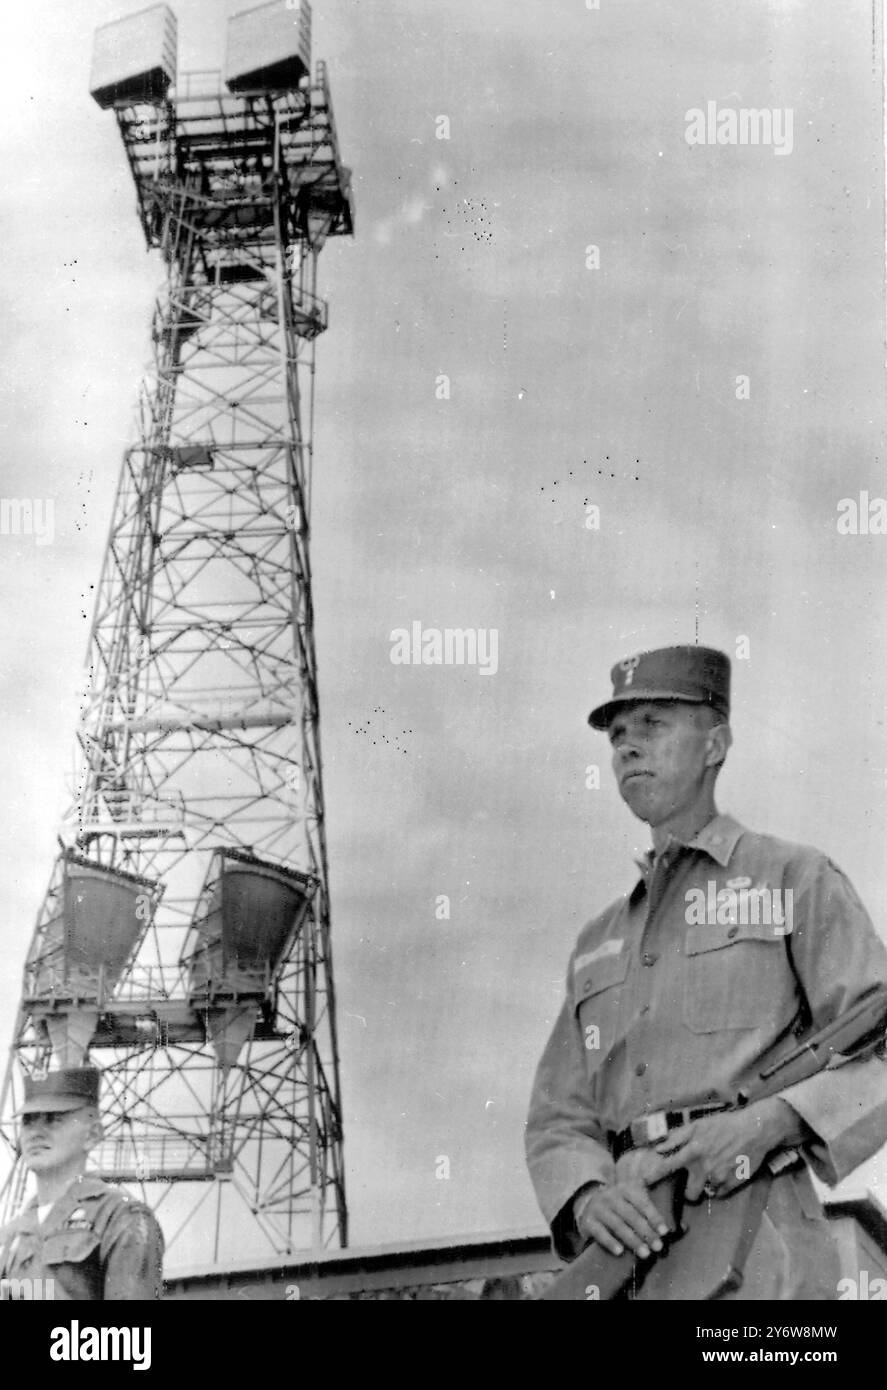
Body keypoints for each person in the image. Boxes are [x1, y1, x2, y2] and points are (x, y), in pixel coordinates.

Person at [525, 644, 887, 1299]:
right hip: (629, 1244)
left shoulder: (793, 879)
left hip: (760, 1239)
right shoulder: (597, 939)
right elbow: (557, 1118)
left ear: (715, 743)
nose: (627, 749)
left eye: (653, 725)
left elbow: (877, 1048)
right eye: (617, 736)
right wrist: (585, 1198)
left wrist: (769, 1123)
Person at [0, 1066, 164, 1300]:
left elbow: (128, 1334)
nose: (36, 1132)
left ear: (92, 1135)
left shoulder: (120, 1217)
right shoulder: (12, 1233)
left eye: (53, 1119)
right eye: (28, 1121)